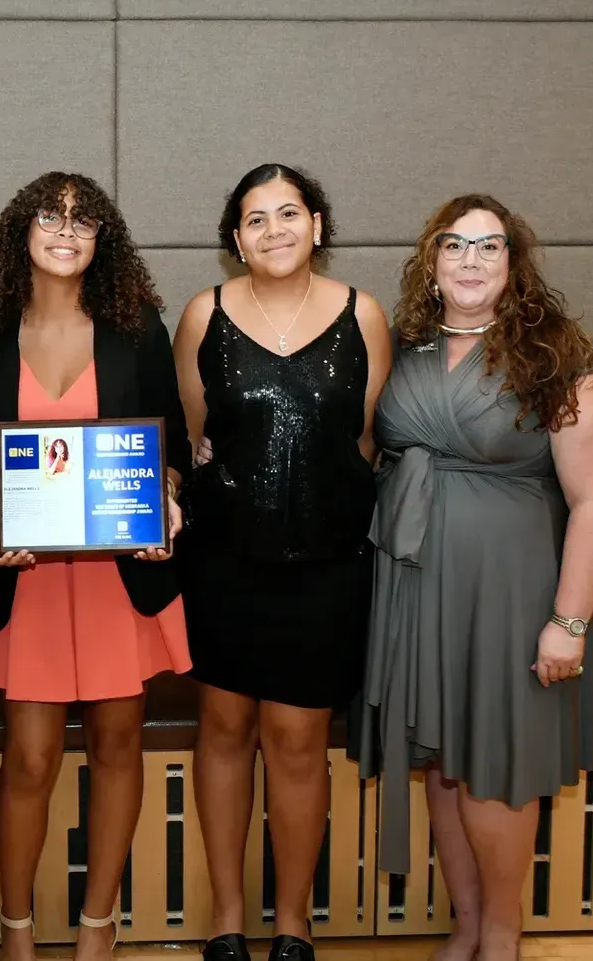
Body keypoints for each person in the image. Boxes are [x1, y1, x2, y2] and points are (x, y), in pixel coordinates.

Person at [356, 194, 593, 961]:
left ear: (514, 264)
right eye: (454, 245)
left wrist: (568, 622)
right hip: (417, 589)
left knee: (497, 763)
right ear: (431, 262)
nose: (470, 260)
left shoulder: (557, 356)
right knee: (444, 763)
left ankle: (504, 935)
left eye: (489, 246)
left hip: (513, 594)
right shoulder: (405, 348)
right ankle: (468, 924)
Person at [0, 171, 193, 961]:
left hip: (116, 576)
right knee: (29, 759)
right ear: (21, 231)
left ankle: (98, 932)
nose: (66, 232)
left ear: (103, 238)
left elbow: (167, 446)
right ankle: (16, 937)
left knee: (118, 747)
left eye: (83, 220)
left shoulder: (137, 326)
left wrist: (166, 502)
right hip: (26, 575)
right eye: (51, 218)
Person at [173, 163, 391, 961]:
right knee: (224, 730)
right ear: (236, 238)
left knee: (299, 742)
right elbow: (196, 436)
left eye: (289, 213)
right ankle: (228, 918)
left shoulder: (364, 314)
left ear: (317, 225)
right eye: (256, 219)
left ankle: (293, 922)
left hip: (326, 567)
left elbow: (365, 440)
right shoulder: (204, 314)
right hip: (224, 564)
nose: (274, 230)